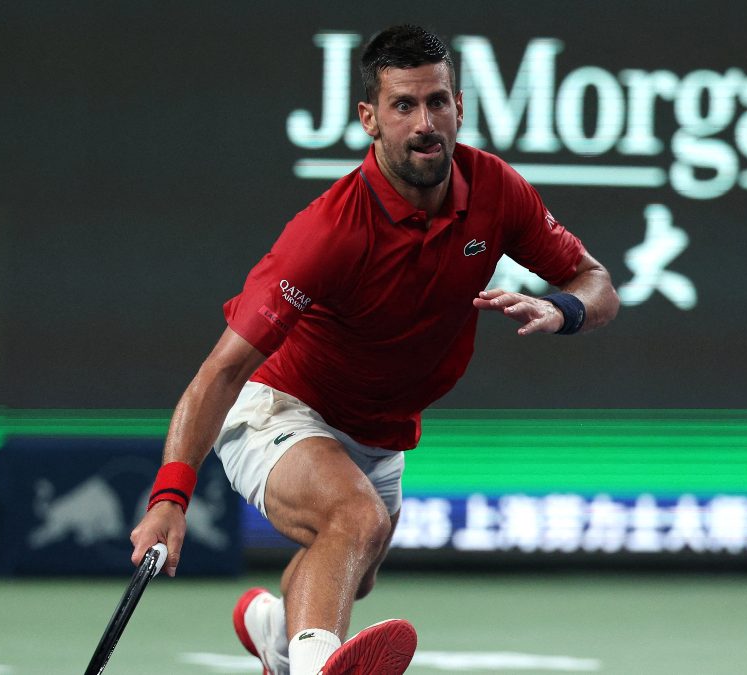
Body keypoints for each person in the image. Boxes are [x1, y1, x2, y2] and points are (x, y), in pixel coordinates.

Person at [129, 24, 620, 675]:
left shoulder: (496, 191)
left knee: (350, 571)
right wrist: (170, 496)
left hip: (378, 431)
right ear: (369, 117)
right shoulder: (331, 231)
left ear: (459, 107)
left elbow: (595, 282)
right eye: (403, 105)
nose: (425, 123)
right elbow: (222, 370)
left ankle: (273, 629)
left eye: (438, 102)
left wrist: (563, 309)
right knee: (352, 517)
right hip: (278, 404)